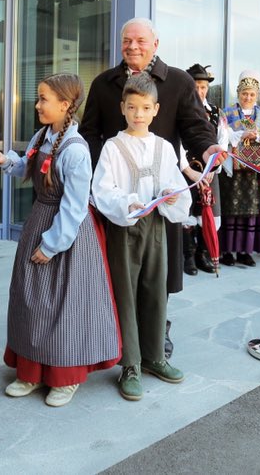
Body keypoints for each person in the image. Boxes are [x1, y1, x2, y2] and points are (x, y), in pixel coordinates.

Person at [79, 18, 217, 357]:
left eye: (141, 40)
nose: (133, 46)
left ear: (156, 44)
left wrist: (207, 148)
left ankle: (157, 329)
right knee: (118, 268)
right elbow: (90, 133)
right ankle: (117, 333)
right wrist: (99, 175)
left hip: (159, 191)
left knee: (159, 270)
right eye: (127, 40)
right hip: (117, 195)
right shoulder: (103, 83)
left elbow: (195, 126)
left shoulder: (179, 82)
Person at [0, 74, 119, 408]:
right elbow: (29, 166)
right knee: (30, 299)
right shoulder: (43, 135)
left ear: (65, 104)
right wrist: (9, 162)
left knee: (64, 306)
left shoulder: (76, 150)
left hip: (66, 235)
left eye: (43, 99)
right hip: (40, 220)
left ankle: (65, 377)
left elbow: (75, 207)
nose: (37, 105)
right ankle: (30, 372)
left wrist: (51, 244)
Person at [91, 74, 191, 401]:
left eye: (146, 107)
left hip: (157, 228)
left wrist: (171, 195)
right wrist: (127, 203)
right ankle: (130, 364)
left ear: (156, 109)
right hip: (125, 229)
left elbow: (174, 183)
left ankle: (154, 356)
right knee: (126, 293)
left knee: (155, 290)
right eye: (132, 107)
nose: (138, 114)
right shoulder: (113, 147)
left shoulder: (164, 147)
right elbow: (103, 189)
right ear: (122, 107)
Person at [216, 69, 260, 266]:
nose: (248, 97)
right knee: (229, 208)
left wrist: (258, 136)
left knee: (251, 210)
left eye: (251, 94)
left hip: (254, 170)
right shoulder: (226, 112)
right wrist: (240, 135)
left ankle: (245, 251)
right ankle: (226, 251)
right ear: (238, 93)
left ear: (257, 95)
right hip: (232, 169)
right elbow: (222, 136)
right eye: (244, 93)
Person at [181, 63, 220, 276]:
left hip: (209, 170)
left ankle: (202, 255)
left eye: (203, 87)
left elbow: (221, 139)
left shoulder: (215, 111)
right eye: (195, 86)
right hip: (187, 169)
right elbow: (176, 141)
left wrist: (214, 166)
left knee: (208, 211)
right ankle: (188, 256)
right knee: (187, 213)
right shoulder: (180, 109)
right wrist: (186, 168)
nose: (199, 91)